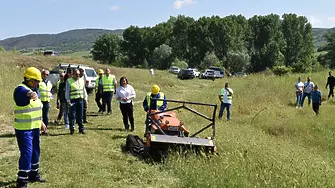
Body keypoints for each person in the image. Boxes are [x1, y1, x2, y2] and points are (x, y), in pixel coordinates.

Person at [13, 67, 47, 188]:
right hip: (24, 129)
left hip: (34, 127)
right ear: (29, 80)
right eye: (36, 81)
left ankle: (34, 174)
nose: (38, 83)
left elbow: (36, 109)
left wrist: (41, 122)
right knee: (27, 152)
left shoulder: (35, 90)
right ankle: (22, 180)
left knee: (35, 151)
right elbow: (22, 94)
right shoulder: (20, 89)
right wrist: (28, 94)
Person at [65, 69, 88, 134]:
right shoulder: (69, 81)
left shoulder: (81, 80)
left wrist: (85, 99)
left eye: (79, 74)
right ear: (73, 74)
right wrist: (68, 100)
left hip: (80, 100)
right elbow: (67, 92)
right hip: (73, 100)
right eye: (76, 74)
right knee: (72, 115)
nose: (78, 76)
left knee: (80, 115)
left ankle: (81, 129)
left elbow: (84, 90)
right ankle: (72, 129)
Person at [38, 70, 52, 134]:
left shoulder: (49, 83)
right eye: (44, 74)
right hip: (40, 101)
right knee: (38, 116)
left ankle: (44, 130)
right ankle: (37, 130)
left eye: (47, 74)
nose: (46, 75)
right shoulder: (39, 82)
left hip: (46, 101)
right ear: (42, 74)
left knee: (45, 116)